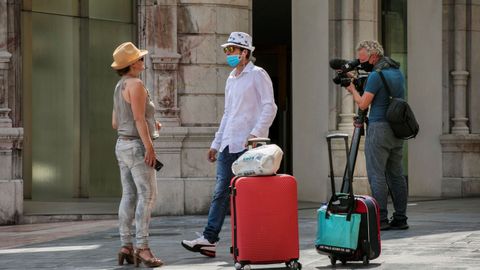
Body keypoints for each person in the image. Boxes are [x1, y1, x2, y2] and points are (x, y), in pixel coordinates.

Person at [181, 32, 278, 257]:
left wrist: (255, 135)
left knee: (249, 196)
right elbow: (228, 113)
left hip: (249, 146)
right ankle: (209, 239)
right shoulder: (231, 78)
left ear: (245, 52)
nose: (228, 55)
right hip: (228, 145)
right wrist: (216, 143)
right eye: (227, 50)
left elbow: (269, 106)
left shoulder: (258, 74)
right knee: (220, 193)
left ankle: (256, 238)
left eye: (231, 50)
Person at [345, 40, 409, 231]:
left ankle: (380, 218)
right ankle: (401, 217)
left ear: (374, 56)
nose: (361, 62)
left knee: (376, 174)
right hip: (397, 129)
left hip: (379, 127)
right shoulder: (397, 72)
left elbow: (363, 104)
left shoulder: (375, 75)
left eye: (363, 59)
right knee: (396, 174)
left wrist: (352, 89)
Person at [111, 42, 163, 267]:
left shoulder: (119, 85)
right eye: (140, 59)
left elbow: (115, 123)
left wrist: (152, 124)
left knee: (129, 195)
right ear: (132, 64)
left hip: (121, 145)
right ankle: (143, 248)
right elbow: (138, 119)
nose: (143, 61)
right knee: (147, 195)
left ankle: (126, 245)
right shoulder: (137, 84)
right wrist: (149, 146)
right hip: (136, 146)